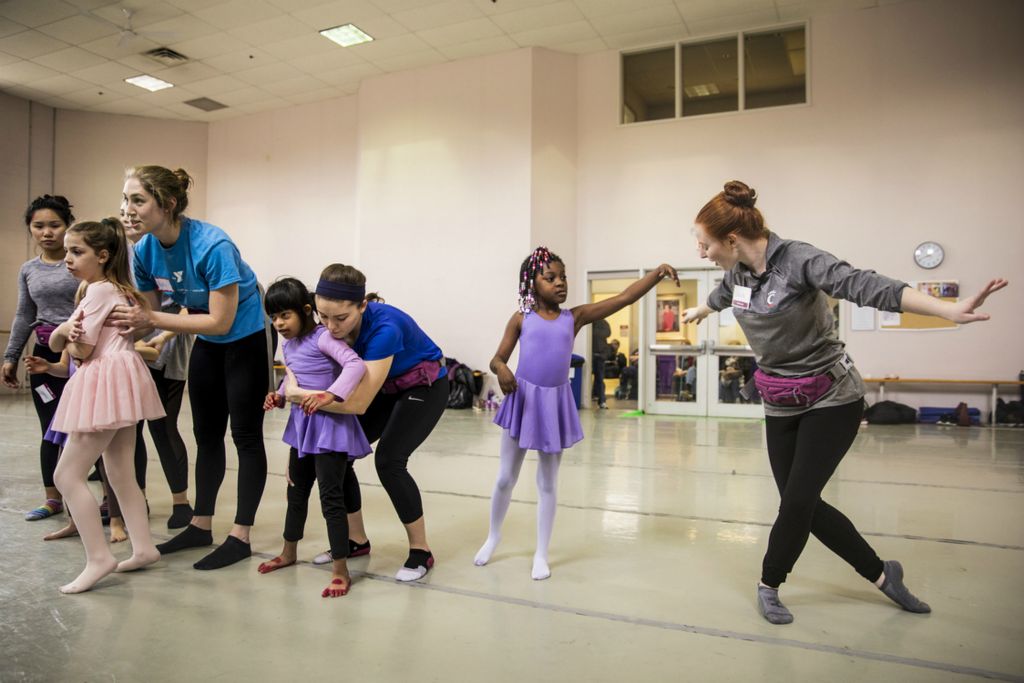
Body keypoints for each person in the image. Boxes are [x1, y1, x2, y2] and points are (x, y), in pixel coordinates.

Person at [683, 180, 1008, 625]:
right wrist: (703, 309)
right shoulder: (735, 273)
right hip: (780, 401)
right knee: (805, 504)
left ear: (732, 239)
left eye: (704, 244)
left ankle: (769, 584)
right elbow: (725, 296)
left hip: (831, 397)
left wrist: (947, 311)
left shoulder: (799, 261)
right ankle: (881, 573)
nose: (701, 252)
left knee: (796, 503)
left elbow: (864, 285)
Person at [474, 247, 678, 579]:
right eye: (550, 278)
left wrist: (656, 274)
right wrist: (502, 370)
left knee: (549, 483)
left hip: (553, 404)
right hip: (523, 400)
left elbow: (624, 298)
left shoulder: (575, 317)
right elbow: (497, 358)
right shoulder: (521, 318)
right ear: (531, 282)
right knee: (504, 478)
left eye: (563, 277)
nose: (560, 284)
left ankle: (541, 553)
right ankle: (493, 537)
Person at [109, 166, 269, 571]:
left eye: (137, 200)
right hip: (209, 341)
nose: (127, 209)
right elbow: (150, 311)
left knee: (246, 435)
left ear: (169, 204)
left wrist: (152, 322)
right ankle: (200, 523)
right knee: (205, 433)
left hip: (247, 334)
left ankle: (240, 535)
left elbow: (220, 321)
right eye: (125, 199)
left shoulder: (212, 245)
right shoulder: (143, 251)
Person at [283, 264, 449, 582]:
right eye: (322, 316)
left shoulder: (386, 327)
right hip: (386, 387)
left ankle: (421, 550)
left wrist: (298, 395)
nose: (330, 327)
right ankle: (356, 541)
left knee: (389, 460)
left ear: (362, 306)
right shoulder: (331, 329)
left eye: (341, 318)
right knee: (340, 454)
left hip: (423, 386)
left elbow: (357, 403)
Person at [48, 218, 165, 593]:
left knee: (66, 476)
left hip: (103, 380)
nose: (67, 258)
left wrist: (64, 335)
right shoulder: (119, 290)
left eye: (76, 251)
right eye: (67, 250)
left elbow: (78, 349)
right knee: (120, 471)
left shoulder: (97, 292)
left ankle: (99, 558)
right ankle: (144, 547)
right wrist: (63, 336)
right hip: (123, 377)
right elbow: (60, 341)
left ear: (102, 255)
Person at [258, 278, 371, 598]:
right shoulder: (289, 344)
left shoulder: (322, 338)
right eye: (274, 317)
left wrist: (330, 396)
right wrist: (279, 396)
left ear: (306, 311)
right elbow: (294, 377)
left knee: (330, 499)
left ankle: (340, 569)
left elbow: (355, 364)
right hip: (302, 430)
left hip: (330, 431)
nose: (278, 323)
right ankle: (288, 551)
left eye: (285, 316)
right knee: (295, 491)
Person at [3, 196, 80, 521]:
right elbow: (24, 314)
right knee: (49, 427)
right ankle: (52, 498)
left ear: (67, 227)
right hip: (44, 353)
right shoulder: (28, 269)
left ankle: (109, 501)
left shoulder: (80, 262)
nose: (47, 232)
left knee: (89, 429)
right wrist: (11, 355)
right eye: (39, 226)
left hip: (81, 352)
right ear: (30, 229)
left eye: (54, 225)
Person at [121, 208, 194, 530]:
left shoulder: (178, 251)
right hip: (133, 352)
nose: (129, 217)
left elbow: (192, 303)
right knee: (130, 431)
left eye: (136, 207)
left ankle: (181, 501)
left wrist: (163, 336)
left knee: (164, 429)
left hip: (170, 349)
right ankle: (136, 498)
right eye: (124, 209)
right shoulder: (127, 259)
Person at [591, 317, 611, 408]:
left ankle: (601, 399)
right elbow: (607, 334)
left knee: (599, 378)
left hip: (598, 354)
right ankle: (599, 398)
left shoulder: (594, 323)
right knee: (599, 378)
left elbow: (606, 334)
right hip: (598, 353)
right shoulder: (603, 323)